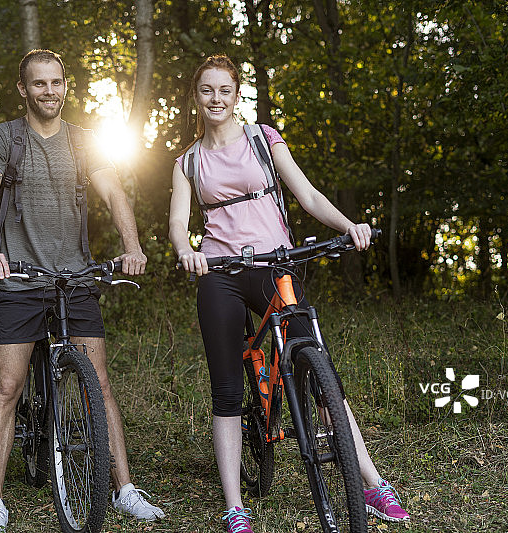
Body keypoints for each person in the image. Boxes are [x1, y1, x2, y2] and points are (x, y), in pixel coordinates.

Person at [168, 54, 410, 532]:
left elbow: (309, 196)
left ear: (237, 95)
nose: (216, 99)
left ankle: (372, 482)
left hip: (276, 263)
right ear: (195, 97)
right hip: (220, 270)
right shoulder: (187, 162)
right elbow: (178, 222)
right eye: (206, 90)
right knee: (227, 389)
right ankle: (235, 505)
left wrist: (349, 225)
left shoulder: (262, 138)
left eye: (224, 90)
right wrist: (186, 249)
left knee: (318, 367)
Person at [0, 49, 164, 532]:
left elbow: (115, 193)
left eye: (56, 82)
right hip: (19, 277)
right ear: (23, 89)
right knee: (7, 388)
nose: (49, 91)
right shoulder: (3, 139)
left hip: (74, 278)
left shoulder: (83, 143)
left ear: (65, 85)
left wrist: (131, 246)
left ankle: (124, 489)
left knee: (97, 382)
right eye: (39, 84)